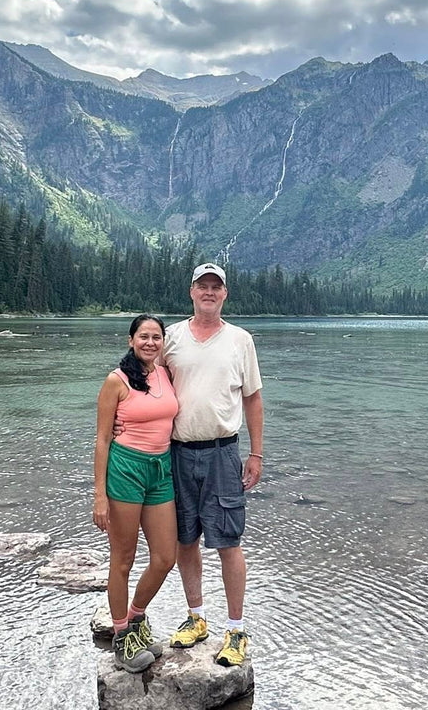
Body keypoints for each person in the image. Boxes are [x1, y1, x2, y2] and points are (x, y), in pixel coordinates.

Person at [163, 262, 264, 668]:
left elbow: (253, 398)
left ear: (225, 295)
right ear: (191, 292)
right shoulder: (170, 337)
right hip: (177, 451)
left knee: (228, 541)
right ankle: (196, 617)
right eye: (202, 285)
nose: (209, 292)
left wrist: (256, 454)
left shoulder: (240, 340)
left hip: (223, 451)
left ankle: (236, 629)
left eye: (216, 287)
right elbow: (147, 387)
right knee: (185, 539)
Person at [94, 313, 179, 673]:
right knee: (123, 558)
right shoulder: (116, 381)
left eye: (156, 337)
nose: (150, 342)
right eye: (143, 336)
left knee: (165, 557)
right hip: (125, 469)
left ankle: (136, 618)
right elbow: (101, 440)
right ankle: (121, 636)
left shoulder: (166, 374)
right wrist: (99, 494)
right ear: (131, 340)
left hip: (160, 470)